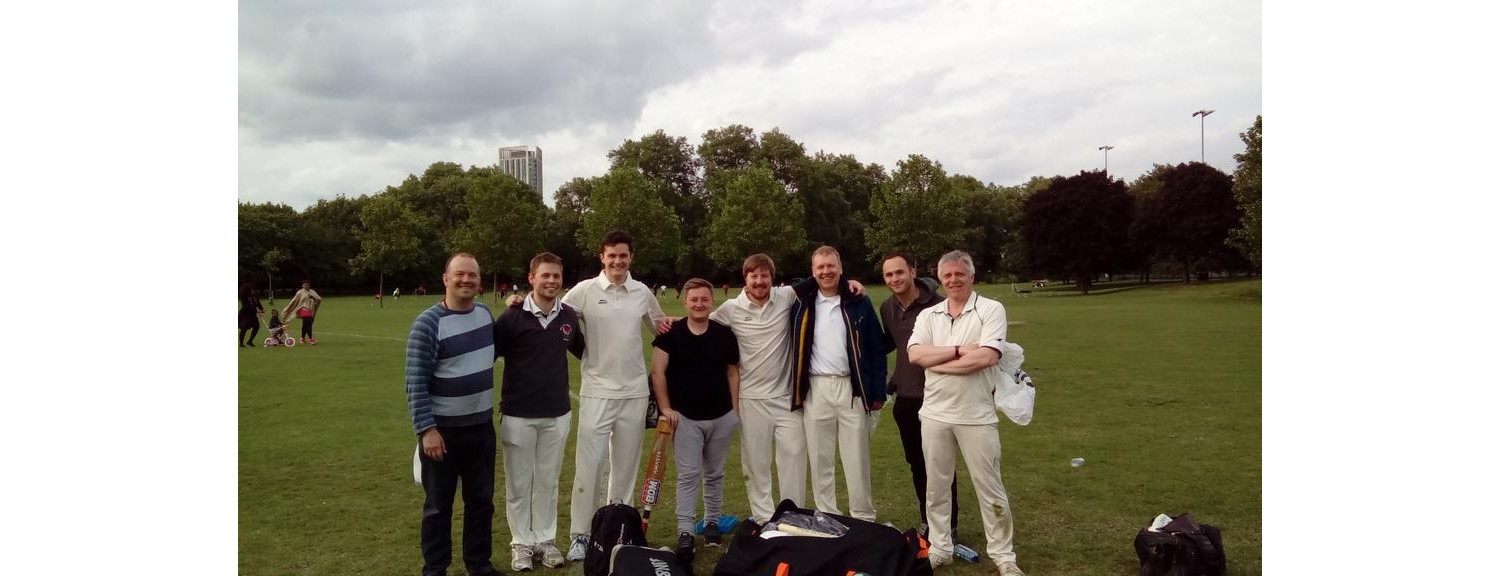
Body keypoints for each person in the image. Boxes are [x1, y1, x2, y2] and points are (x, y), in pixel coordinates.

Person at [709, 253, 863, 524]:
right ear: (745, 278)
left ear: (772, 277)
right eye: (754, 276)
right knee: (757, 464)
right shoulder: (730, 309)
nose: (759, 281)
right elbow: (698, 323)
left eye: (764, 275)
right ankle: (763, 518)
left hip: (786, 398)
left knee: (794, 456)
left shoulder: (785, 296)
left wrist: (852, 283)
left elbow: (822, 277)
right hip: (751, 399)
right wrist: (666, 322)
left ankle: (792, 516)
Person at [907, 250, 1024, 575]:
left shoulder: (990, 309)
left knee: (990, 487)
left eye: (960, 274)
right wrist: (959, 351)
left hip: (977, 414)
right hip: (934, 414)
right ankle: (940, 547)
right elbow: (915, 354)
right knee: (937, 487)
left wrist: (941, 363)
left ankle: (1003, 555)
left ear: (971, 276)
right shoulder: (930, 315)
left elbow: (987, 357)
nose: (954, 280)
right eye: (948, 275)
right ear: (941, 279)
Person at [559, 229, 670, 561]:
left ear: (630, 257)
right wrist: (521, 305)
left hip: (634, 393)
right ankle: (580, 534)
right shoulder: (585, 290)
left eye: (623, 255)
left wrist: (697, 320)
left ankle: (618, 529)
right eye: (612, 256)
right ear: (602, 257)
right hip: (596, 391)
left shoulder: (641, 292)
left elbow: (661, 327)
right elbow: (554, 317)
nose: (618, 261)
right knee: (588, 465)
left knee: (624, 467)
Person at [405, 253, 502, 576]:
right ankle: (435, 569)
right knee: (438, 507)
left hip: (481, 428)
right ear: (445, 279)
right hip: (442, 433)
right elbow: (415, 382)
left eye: (472, 276)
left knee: (481, 503)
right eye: (459, 275)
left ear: (479, 282)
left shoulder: (485, 314)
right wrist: (426, 429)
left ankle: (478, 564)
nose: (466, 281)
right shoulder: (428, 323)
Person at [492, 252, 585, 571]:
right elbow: (488, 355)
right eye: (545, 276)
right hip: (518, 414)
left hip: (557, 413)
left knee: (547, 481)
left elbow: (585, 352)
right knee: (519, 483)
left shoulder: (569, 316)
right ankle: (521, 543)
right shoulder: (512, 317)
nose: (551, 281)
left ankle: (545, 541)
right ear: (532, 278)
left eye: (556, 276)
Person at [787, 245, 887, 522]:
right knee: (820, 459)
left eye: (831, 266)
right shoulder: (801, 302)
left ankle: (863, 517)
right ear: (812, 271)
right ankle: (827, 516)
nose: (826, 272)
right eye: (820, 267)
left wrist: (878, 390)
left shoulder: (858, 300)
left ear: (841, 268)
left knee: (856, 458)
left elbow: (876, 348)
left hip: (852, 388)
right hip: (815, 388)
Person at [651, 277, 741, 559]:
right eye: (694, 299)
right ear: (685, 301)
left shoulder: (724, 334)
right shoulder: (670, 333)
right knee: (689, 475)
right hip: (685, 418)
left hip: (721, 416)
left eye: (704, 299)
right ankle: (686, 531)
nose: (699, 304)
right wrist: (666, 408)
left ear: (711, 301)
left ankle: (712, 522)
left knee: (714, 474)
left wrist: (734, 411)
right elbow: (658, 373)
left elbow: (732, 372)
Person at [879, 253, 958, 538]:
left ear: (912, 271)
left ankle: (949, 525)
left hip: (937, 396)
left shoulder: (939, 305)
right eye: (889, 275)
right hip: (905, 399)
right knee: (917, 464)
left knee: (940, 465)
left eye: (900, 272)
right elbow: (888, 345)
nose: (895, 279)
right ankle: (929, 521)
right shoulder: (887, 307)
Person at [281, 280, 323, 345]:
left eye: (307, 284)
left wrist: (313, 298)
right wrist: (287, 308)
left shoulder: (312, 291)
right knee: (308, 321)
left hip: (310, 310)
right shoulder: (300, 292)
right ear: (303, 285)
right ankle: (311, 339)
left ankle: (302, 339)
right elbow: (294, 300)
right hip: (302, 309)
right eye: (305, 284)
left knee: (306, 324)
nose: (307, 285)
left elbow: (319, 299)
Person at [239, 282, 264, 348]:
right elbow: (246, 306)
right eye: (252, 289)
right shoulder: (244, 297)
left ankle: (250, 341)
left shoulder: (255, 297)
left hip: (253, 315)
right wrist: (256, 310)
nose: (253, 291)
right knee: (244, 329)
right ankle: (241, 343)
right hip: (245, 314)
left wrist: (261, 310)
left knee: (256, 326)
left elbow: (258, 304)